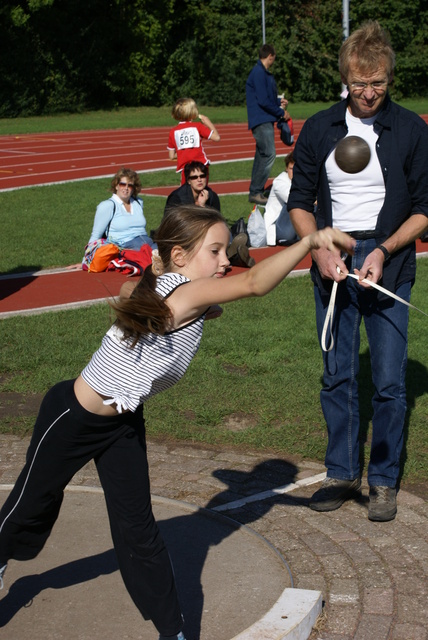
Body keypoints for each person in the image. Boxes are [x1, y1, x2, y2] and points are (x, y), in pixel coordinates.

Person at [0, 205, 354, 638]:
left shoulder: (179, 293)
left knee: (138, 531)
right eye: (216, 251)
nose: (226, 260)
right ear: (180, 257)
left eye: (227, 250)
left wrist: (149, 290)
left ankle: (173, 632)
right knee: (29, 507)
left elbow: (136, 285)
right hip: (73, 415)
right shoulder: (186, 294)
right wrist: (309, 241)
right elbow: (255, 282)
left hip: (123, 422)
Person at [288, 21, 428, 522]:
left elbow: (424, 209)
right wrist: (320, 249)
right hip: (332, 258)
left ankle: (384, 480)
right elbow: (300, 202)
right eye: (359, 84)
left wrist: (384, 251)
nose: (369, 94)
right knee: (337, 376)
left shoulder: (411, 129)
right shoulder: (321, 127)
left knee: (390, 381)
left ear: (390, 78)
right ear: (345, 78)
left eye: (379, 84)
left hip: (387, 261)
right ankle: (342, 472)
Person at [246, 44, 290, 205]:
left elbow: (266, 97)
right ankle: (256, 191)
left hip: (264, 118)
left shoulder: (262, 73)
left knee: (262, 155)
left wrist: (279, 101)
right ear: (270, 56)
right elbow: (263, 101)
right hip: (261, 119)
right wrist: (281, 112)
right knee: (269, 154)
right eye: (274, 57)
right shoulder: (259, 73)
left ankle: (255, 190)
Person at [87, 168, 156, 251]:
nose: (126, 188)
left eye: (130, 186)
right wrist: (87, 257)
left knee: (167, 253)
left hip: (146, 241)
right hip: (124, 245)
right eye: (123, 184)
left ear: (133, 188)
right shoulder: (107, 205)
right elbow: (96, 235)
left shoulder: (138, 202)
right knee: (150, 257)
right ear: (116, 186)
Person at [167, 98, 220, 185]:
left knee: (185, 195)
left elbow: (171, 156)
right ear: (192, 112)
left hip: (186, 169)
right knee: (202, 193)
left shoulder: (173, 132)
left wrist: (183, 152)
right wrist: (208, 122)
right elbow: (217, 137)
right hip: (201, 166)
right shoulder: (198, 127)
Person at [264, 152, 298, 246]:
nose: (294, 172)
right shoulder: (279, 182)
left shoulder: (300, 180)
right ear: (286, 168)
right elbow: (294, 199)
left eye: (296, 169)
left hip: (293, 224)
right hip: (278, 227)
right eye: (291, 169)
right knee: (294, 202)